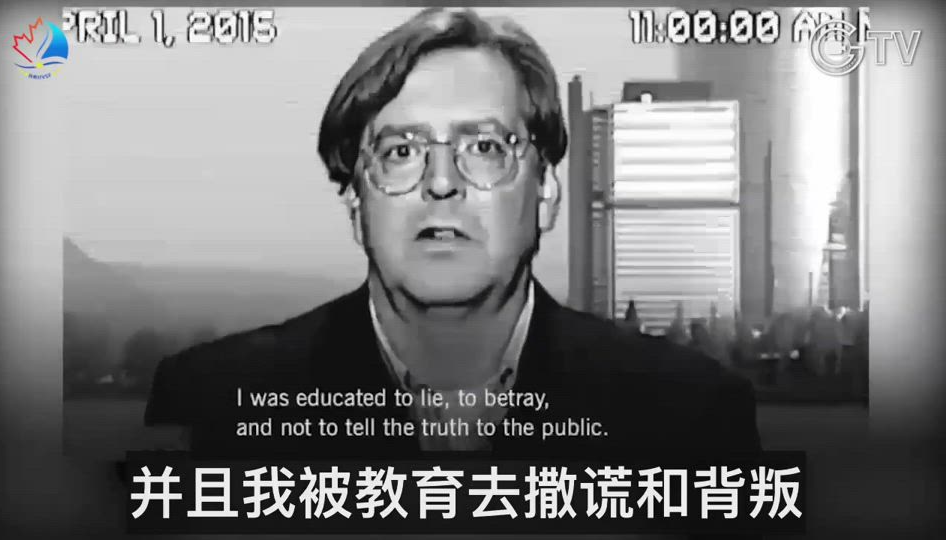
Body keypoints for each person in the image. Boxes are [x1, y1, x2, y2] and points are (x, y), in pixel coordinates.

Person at [144, 7, 760, 460]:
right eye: (400, 151)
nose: (442, 183)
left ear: (546, 192)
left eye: (485, 147)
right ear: (355, 202)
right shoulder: (211, 404)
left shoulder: (691, 418)